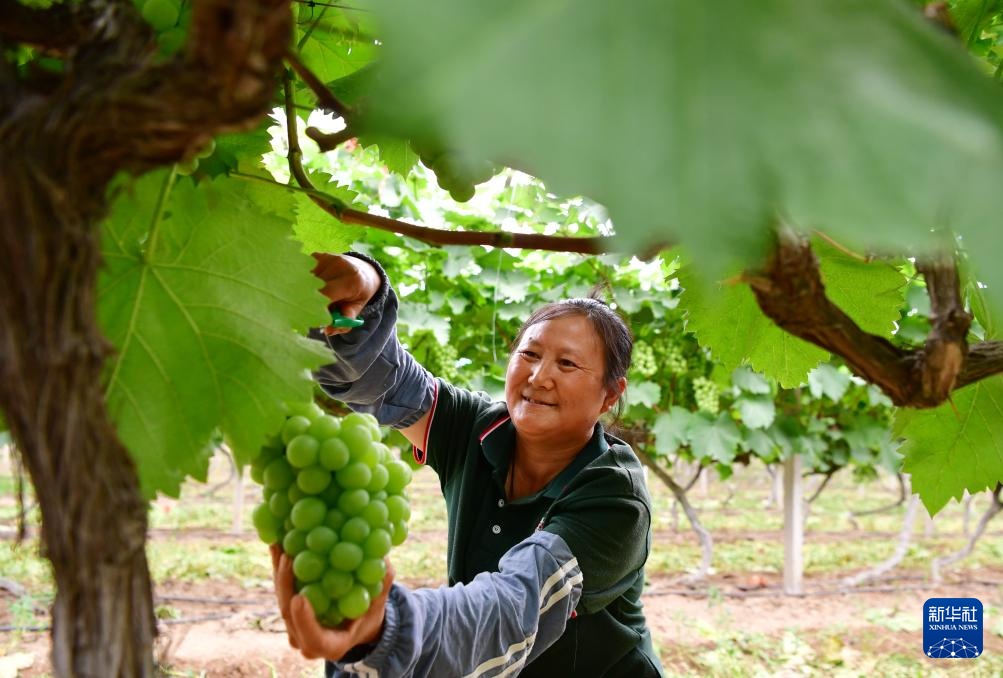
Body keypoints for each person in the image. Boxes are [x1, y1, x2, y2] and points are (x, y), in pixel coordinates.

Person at [271, 251, 665, 677]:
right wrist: (365, 287)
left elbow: (512, 609)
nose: (538, 377)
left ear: (610, 395)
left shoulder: (615, 496)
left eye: (566, 363)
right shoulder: (476, 428)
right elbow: (385, 382)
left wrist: (388, 628)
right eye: (530, 354)